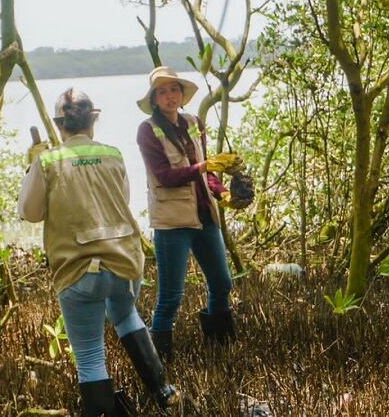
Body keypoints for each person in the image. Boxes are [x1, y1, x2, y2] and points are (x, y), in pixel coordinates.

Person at [18, 88, 178, 416]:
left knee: (90, 356)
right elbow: (121, 199)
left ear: (58, 123)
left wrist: (33, 165)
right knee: (125, 315)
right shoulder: (113, 154)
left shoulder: (47, 161)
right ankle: (163, 391)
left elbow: (30, 212)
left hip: (78, 273)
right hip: (125, 264)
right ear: (94, 120)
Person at [135, 66, 241, 361]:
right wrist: (206, 167)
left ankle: (221, 346)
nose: (170, 96)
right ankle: (161, 363)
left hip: (204, 215)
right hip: (172, 222)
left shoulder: (194, 122)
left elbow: (205, 172)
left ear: (182, 95)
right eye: (162, 91)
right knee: (170, 296)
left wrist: (224, 194)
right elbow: (164, 176)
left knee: (222, 283)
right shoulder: (147, 130)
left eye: (175, 90)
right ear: (154, 99)